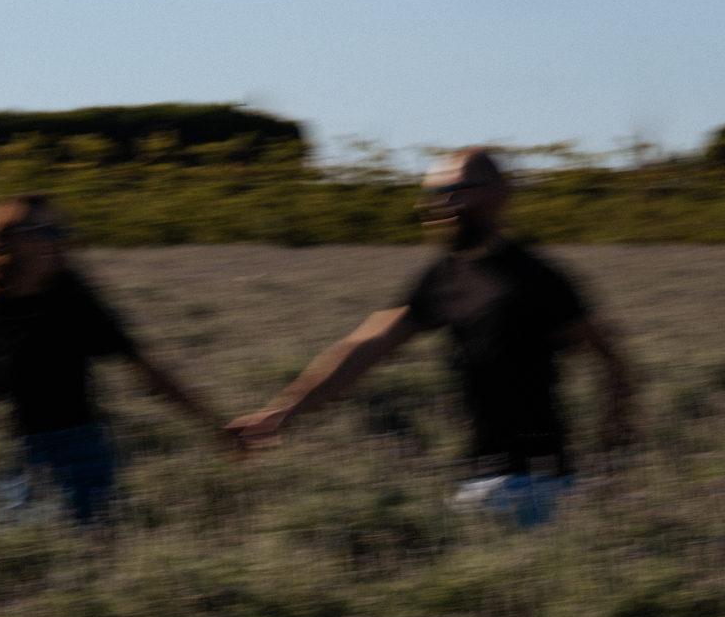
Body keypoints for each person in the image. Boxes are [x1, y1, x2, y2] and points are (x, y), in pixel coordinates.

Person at [226, 148, 632, 525]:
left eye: (455, 191)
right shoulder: (442, 278)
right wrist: (281, 413)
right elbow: (365, 348)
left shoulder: (538, 280)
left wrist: (614, 452)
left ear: (498, 194)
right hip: (480, 479)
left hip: (538, 482)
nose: (441, 205)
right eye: (433, 195)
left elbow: (610, 361)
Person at [0, 193, 217, 533]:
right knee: (22, 550)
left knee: (82, 543)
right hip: (25, 460)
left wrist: (214, 427)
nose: (54, 239)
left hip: (84, 452)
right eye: (40, 231)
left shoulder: (75, 299)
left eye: (57, 230)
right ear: (9, 241)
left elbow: (149, 372)